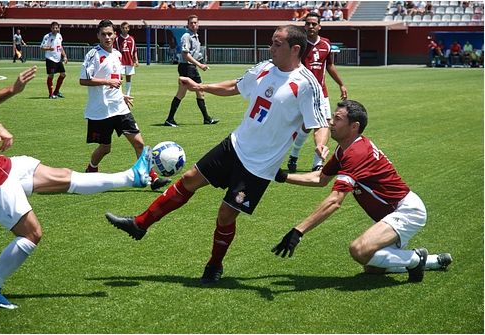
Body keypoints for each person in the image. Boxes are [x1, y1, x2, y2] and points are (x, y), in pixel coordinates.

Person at [106, 24, 330, 284]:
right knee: (189, 179)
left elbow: (320, 122)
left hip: (259, 166)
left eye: (276, 44)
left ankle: (214, 265)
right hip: (234, 145)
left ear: (295, 49)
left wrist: (320, 144)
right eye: (271, 42)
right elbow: (235, 86)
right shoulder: (265, 68)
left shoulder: (306, 84)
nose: (271, 48)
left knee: (225, 215)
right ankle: (140, 224)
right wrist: (201, 88)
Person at [0, 66, 159, 309]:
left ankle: (133, 176)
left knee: (64, 176)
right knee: (31, 234)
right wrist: (13, 90)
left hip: (3, 165)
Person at [272, 100, 452, 283]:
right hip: (392, 213)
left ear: (354, 126)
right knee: (372, 267)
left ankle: (416, 259)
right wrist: (281, 176)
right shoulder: (344, 150)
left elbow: (335, 201)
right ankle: (432, 261)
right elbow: (320, 179)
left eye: (338, 118)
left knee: (359, 250)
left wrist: (299, 231)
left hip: (407, 211)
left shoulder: (356, 153)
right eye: (333, 117)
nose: (331, 122)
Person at [79, 20, 169, 190]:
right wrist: (107, 82)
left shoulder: (118, 55)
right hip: (101, 111)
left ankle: (153, 178)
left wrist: (122, 96)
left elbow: (116, 80)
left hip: (120, 107)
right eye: (104, 34)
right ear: (98, 35)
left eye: (110, 34)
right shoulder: (93, 55)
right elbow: (83, 80)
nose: (107, 37)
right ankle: (91, 169)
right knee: (105, 148)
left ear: (115, 35)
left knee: (139, 143)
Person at [287, 12, 347, 173]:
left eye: (314, 24)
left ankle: (317, 162)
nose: (311, 26)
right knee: (306, 126)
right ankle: (294, 155)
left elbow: (330, 66)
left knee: (325, 124)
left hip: (322, 93)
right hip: (302, 93)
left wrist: (341, 84)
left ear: (320, 26)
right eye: (308, 23)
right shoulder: (299, 44)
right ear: (304, 26)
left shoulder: (326, 44)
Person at [164, 14, 219, 127]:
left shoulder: (195, 36)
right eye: (191, 23)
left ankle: (206, 119)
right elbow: (185, 55)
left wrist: (199, 63)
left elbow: (194, 53)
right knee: (182, 93)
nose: (193, 24)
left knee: (200, 91)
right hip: (186, 67)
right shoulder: (186, 36)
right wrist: (199, 65)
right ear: (188, 24)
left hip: (192, 67)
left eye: (195, 22)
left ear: (198, 24)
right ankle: (169, 119)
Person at [40, 21, 67, 99]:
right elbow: (41, 47)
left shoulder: (59, 36)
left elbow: (60, 47)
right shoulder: (47, 36)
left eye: (56, 28)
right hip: (50, 59)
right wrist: (49, 48)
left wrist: (64, 56)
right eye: (54, 28)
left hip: (58, 59)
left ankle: (56, 91)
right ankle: (51, 94)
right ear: (51, 28)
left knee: (63, 74)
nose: (55, 29)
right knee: (51, 75)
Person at [114, 21, 139, 96]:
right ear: (121, 29)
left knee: (128, 77)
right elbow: (114, 50)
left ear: (128, 29)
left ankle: (127, 94)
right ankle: (120, 93)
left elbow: (134, 50)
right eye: (123, 28)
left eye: (126, 28)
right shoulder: (117, 39)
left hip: (129, 61)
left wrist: (136, 60)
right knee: (120, 77)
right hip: (120, 62)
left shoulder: (131, 39)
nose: (125, 29)